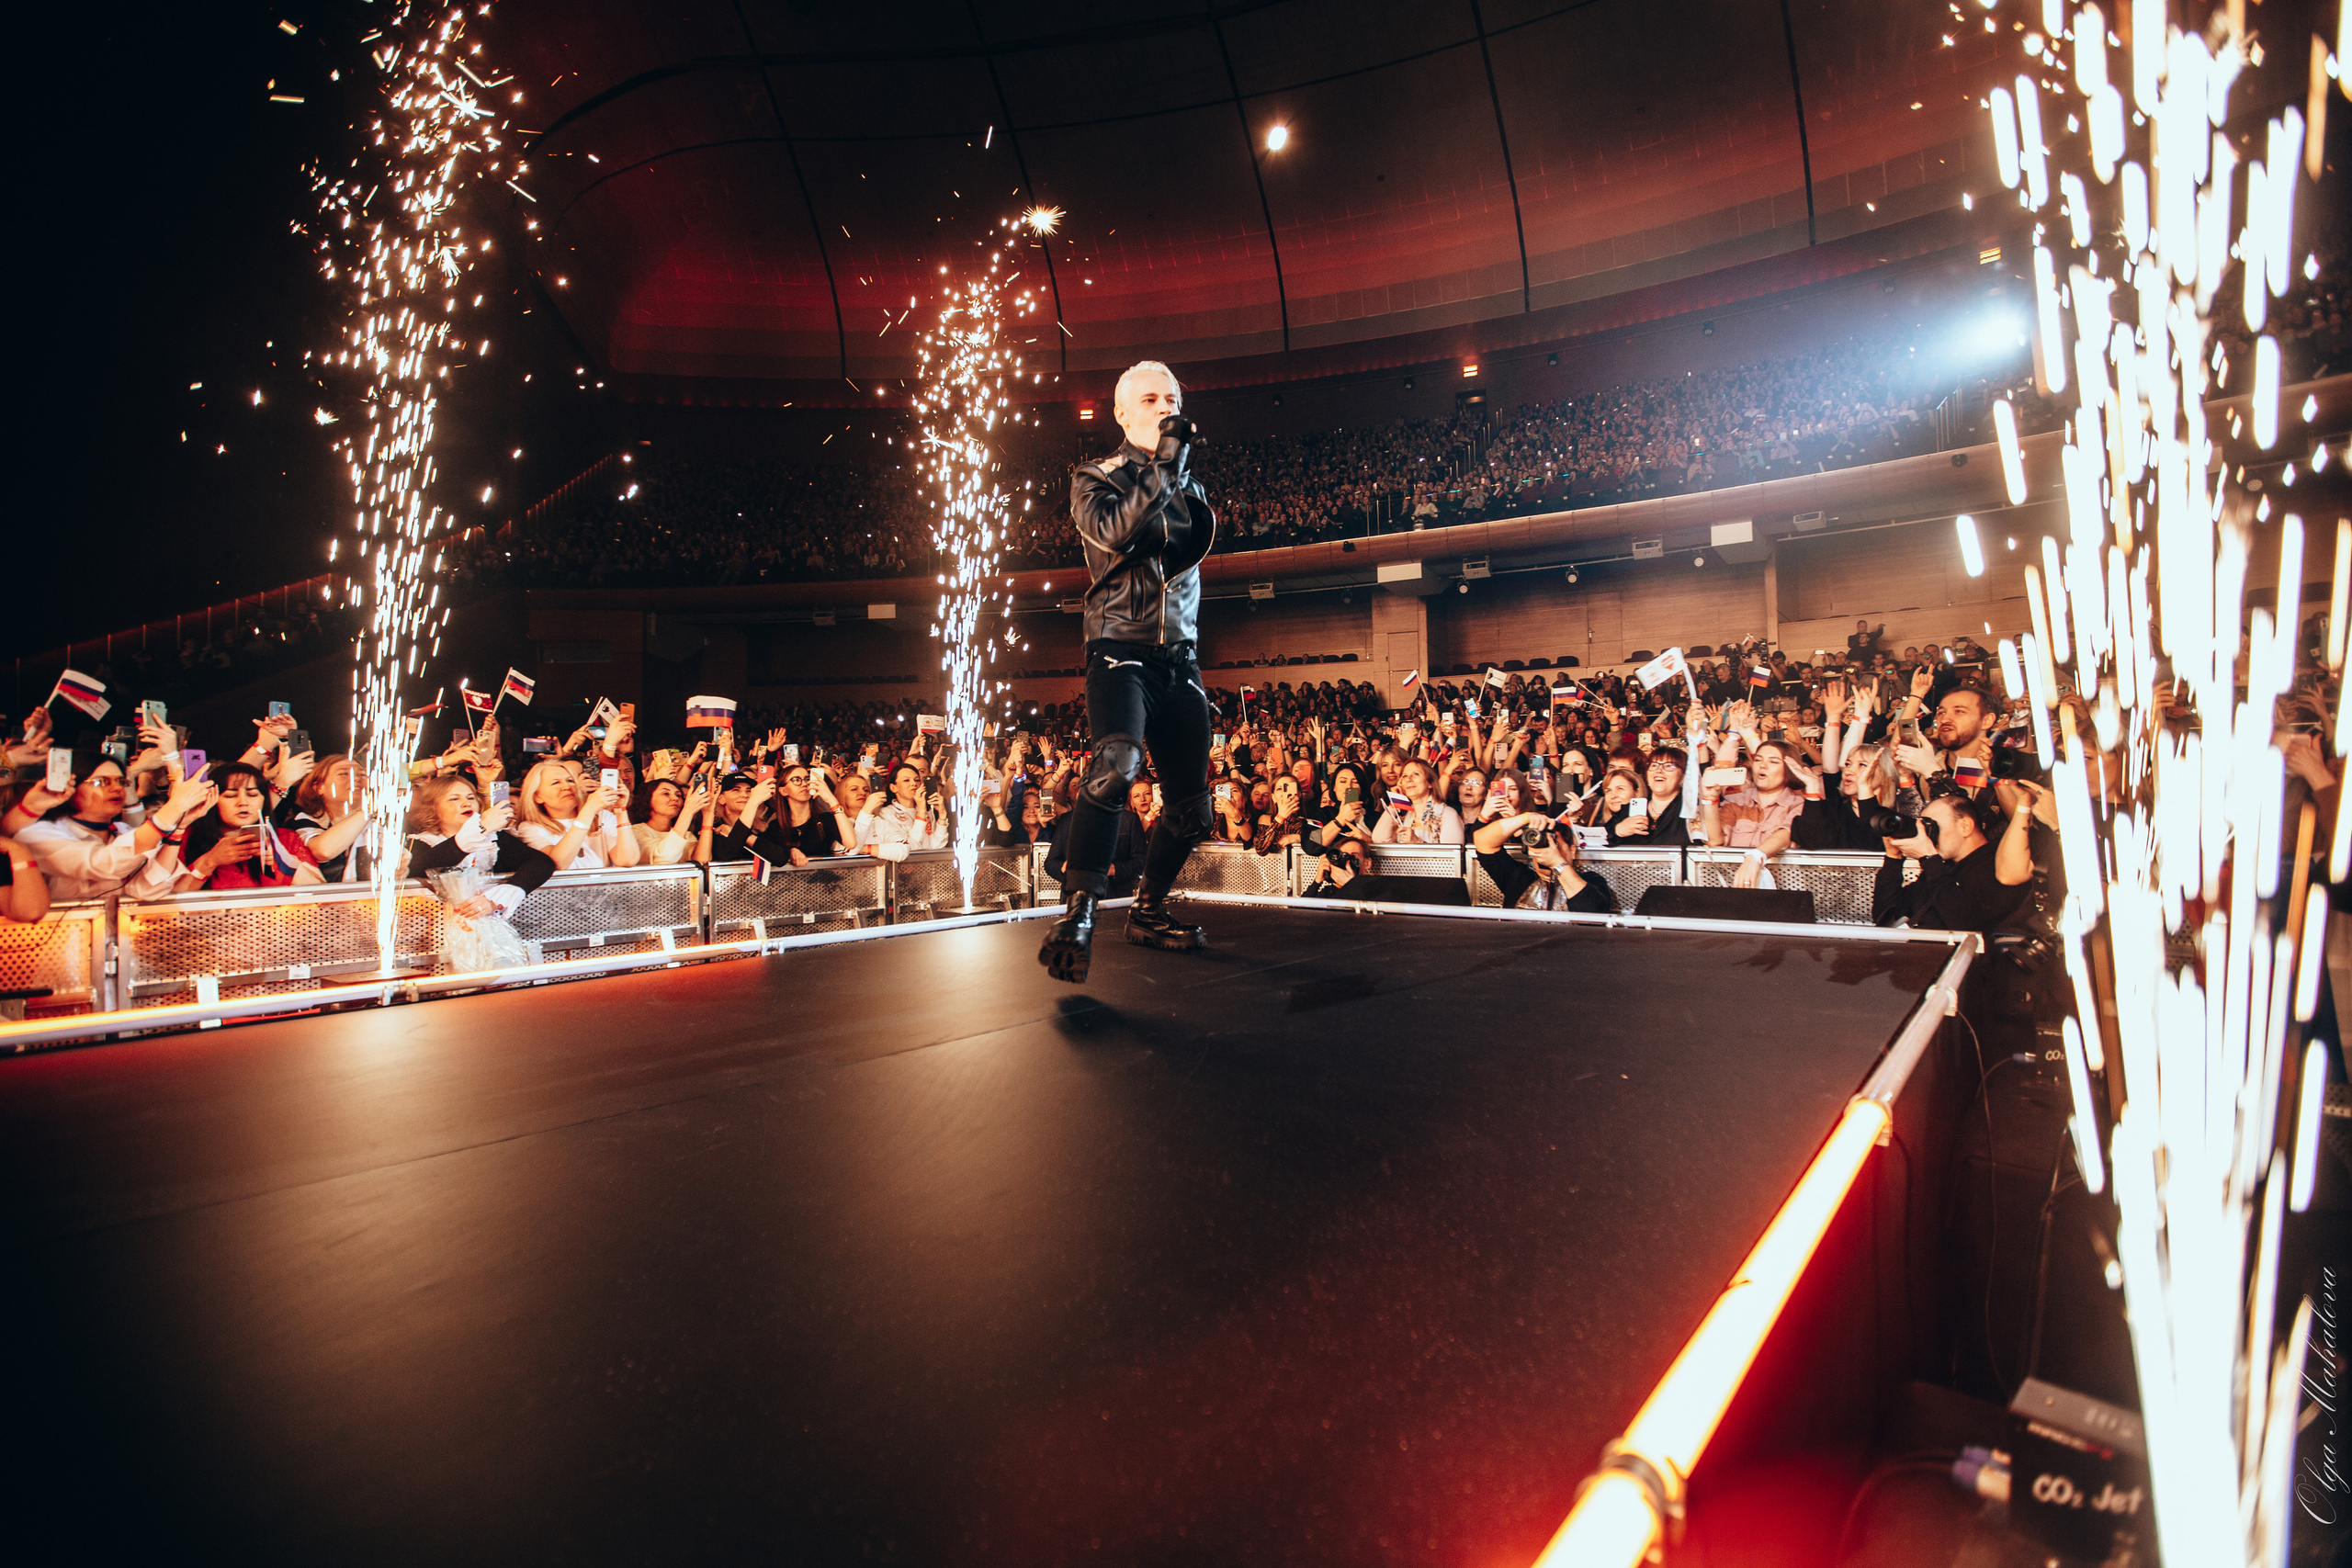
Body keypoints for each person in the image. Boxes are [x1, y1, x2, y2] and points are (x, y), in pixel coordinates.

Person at [1038, 359, 1220, 982]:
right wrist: (1164, 467)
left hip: (1179, 657)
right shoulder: (1095, 477)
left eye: (1172, 398)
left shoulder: (1192, 488)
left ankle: (1148, 909)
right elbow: (1117, 532)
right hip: (1119, 647)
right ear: (1121, 414)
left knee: (1194, 811)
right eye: (1150, 399)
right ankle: (1078, 914)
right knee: (1116, 764)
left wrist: (1173, 471)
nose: (1166, 407)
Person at [11, 756, 210, 902]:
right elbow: (103, 864)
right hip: (63, 940)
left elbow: (147, 890)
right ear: (69, 787)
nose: (116, 788)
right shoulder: (37, 834)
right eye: (101, 782)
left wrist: (179, 827)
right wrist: (173, 808)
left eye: (121, 781)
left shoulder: (124, 831)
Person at [1871, 789, 2033, 931]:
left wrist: (1929, 859)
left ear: (1965, 826)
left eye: (1933, 827)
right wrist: (1893, 858)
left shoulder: (1997, 863)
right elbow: (1886, 916)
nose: (1928, 836)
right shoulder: (1943, 867)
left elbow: (1965, 924)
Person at [402, 774, 558, 918]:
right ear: (433, 808)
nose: (466, 803)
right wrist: (481, 828)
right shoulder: (420, 842)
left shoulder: (493, 840)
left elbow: (541, 863)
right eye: (454, 799)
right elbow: (417, 868)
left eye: (471, 797)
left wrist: (499, 896)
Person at [173, 763, 324, 890]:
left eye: (252, 795)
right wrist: (209, 861)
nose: (243, 802)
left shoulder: (285, 839)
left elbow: (323, 894)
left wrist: (284, 862)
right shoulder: (186, 839)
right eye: (230, 795)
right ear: (212, 800)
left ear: (264, 800)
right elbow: (169, 900)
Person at [1469, 807, 1616, 912]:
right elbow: (1483, 842)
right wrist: (1527, 817)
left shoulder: (1591, 880)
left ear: (1572, 851)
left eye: (1554, 843)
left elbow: (1591, 912)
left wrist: (1558, 864)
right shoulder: (1520, 878)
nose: (1547, 849)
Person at [514, 759, 641, 871]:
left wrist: (620, 810)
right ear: (537, 796)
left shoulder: (602, 817)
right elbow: (559, 863)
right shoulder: (530, 828)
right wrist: (589, 810)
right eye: (555, 783)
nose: (566, 787)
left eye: (570, 780)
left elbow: (627, 860)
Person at [1373, 759, 1464, 844]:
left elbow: (1453, 854)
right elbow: (1379, 839)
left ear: (1430, 783)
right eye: (1404, 776)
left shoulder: (1447, 814)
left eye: (1416, 774)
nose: (1408, 779)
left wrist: (1418, 842)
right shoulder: (1404, 817)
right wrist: (1395, 801)